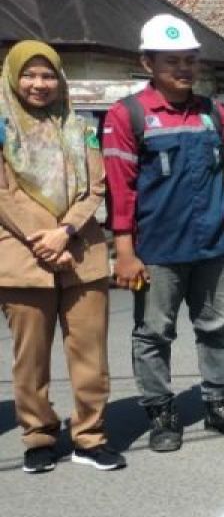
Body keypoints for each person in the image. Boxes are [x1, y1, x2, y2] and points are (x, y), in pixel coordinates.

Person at [103, 14, 224, 452]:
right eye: (172, 61)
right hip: (157, 250)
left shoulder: (214, 113)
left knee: (216, 328)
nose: (183, 70)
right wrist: (124, 252)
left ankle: (218, 404)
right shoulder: (128, 115)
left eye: (189, 61)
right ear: (147, 62)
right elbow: (120, 190)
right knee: (153, 334)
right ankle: (161, 413)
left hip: (214, 246)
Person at [0, 41, 123, 472]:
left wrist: (66, 231)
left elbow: (95, 187)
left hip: (81, 252)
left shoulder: (80, 126)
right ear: (14, 77)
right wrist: (44, 240)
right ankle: (38, 436)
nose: (39, 84)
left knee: (90, 355)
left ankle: (90, 436)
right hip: (22, 258)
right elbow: (3, 194)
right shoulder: (1, 126)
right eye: (29, 75)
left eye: (48, 75)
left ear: (60, 79)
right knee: (30, 359)